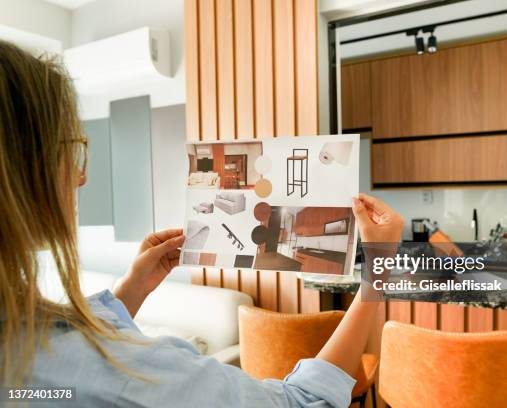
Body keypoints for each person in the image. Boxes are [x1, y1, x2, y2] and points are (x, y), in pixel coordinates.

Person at [0, 40, 404, 407]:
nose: (80, 176)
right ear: (20, 171)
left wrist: (131, 288)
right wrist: (379, 267)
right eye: (68, 151)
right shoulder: (126, 373)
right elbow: (300, 402)